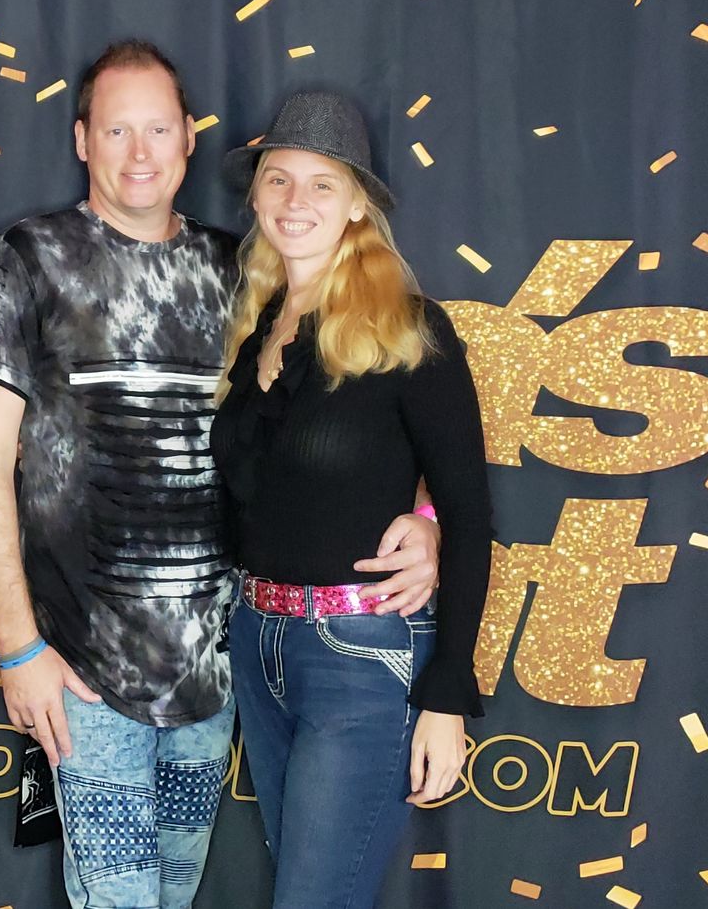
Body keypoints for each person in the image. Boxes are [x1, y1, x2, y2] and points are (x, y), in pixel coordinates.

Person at [0, 43, 443, 909]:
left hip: (220, 669)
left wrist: (428, 519)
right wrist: (18, 646)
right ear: (82, 140)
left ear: (188, 138)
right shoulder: (29, 256)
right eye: (116, 130)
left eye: (157, 129)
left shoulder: (243, 271)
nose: (138, 153)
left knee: (173, 896)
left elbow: (359, 414)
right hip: (82, 667)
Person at [212, 91, 492, 909]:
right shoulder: (255, 326)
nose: (296, 201)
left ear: (358, 205)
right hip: (257, 642)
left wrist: (446, 695)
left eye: (322, 183)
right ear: (256, 195)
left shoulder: (409, 328)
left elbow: (470, 512)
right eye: (278, 179)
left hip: (361, 656)